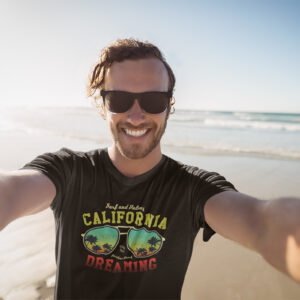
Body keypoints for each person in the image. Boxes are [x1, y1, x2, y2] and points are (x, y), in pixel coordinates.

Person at [0, 38, 299, 300]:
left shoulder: (193, 189)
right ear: (102, 106)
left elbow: (264, 224)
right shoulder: (67, 171)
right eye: (119, 99)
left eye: (153, 100)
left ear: (170, 105)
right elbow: (11, 191)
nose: (136, 115)